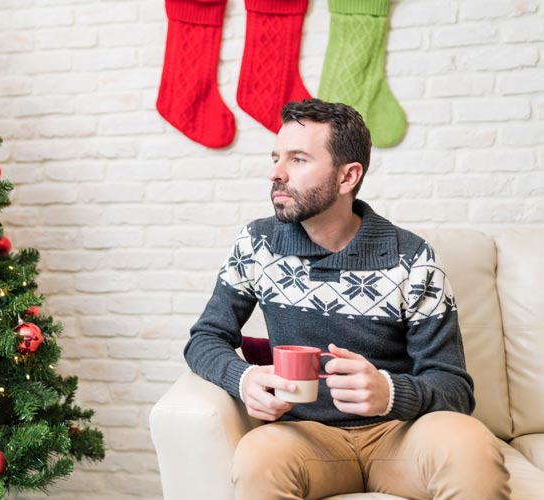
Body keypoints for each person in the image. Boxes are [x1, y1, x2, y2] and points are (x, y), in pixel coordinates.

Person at [184, 99, 510, 500]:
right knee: (257, 457)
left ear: (347, 176)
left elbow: (455, 389)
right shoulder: (258, 245)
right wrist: (245, 377)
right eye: (276, 158)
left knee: (470, 445)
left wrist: (389, 392)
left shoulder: (411, 258)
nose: (276, 173)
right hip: (306, 440)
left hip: (399, 435)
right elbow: (205, 339)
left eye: (298, 159)